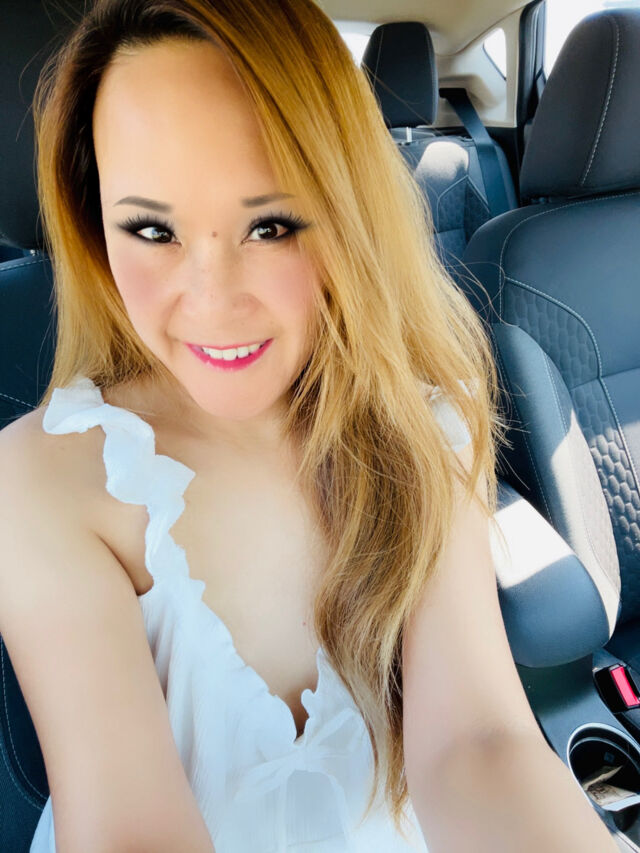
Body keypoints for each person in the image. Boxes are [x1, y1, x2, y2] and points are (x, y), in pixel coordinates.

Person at [0, 0, 616, 851]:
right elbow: (130, 827)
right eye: (151, 229)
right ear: (93, 222)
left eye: (270, 225)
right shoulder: (42, 478)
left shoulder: (424, 414)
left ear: (345, 209)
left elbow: (477, 746)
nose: (212, 299)